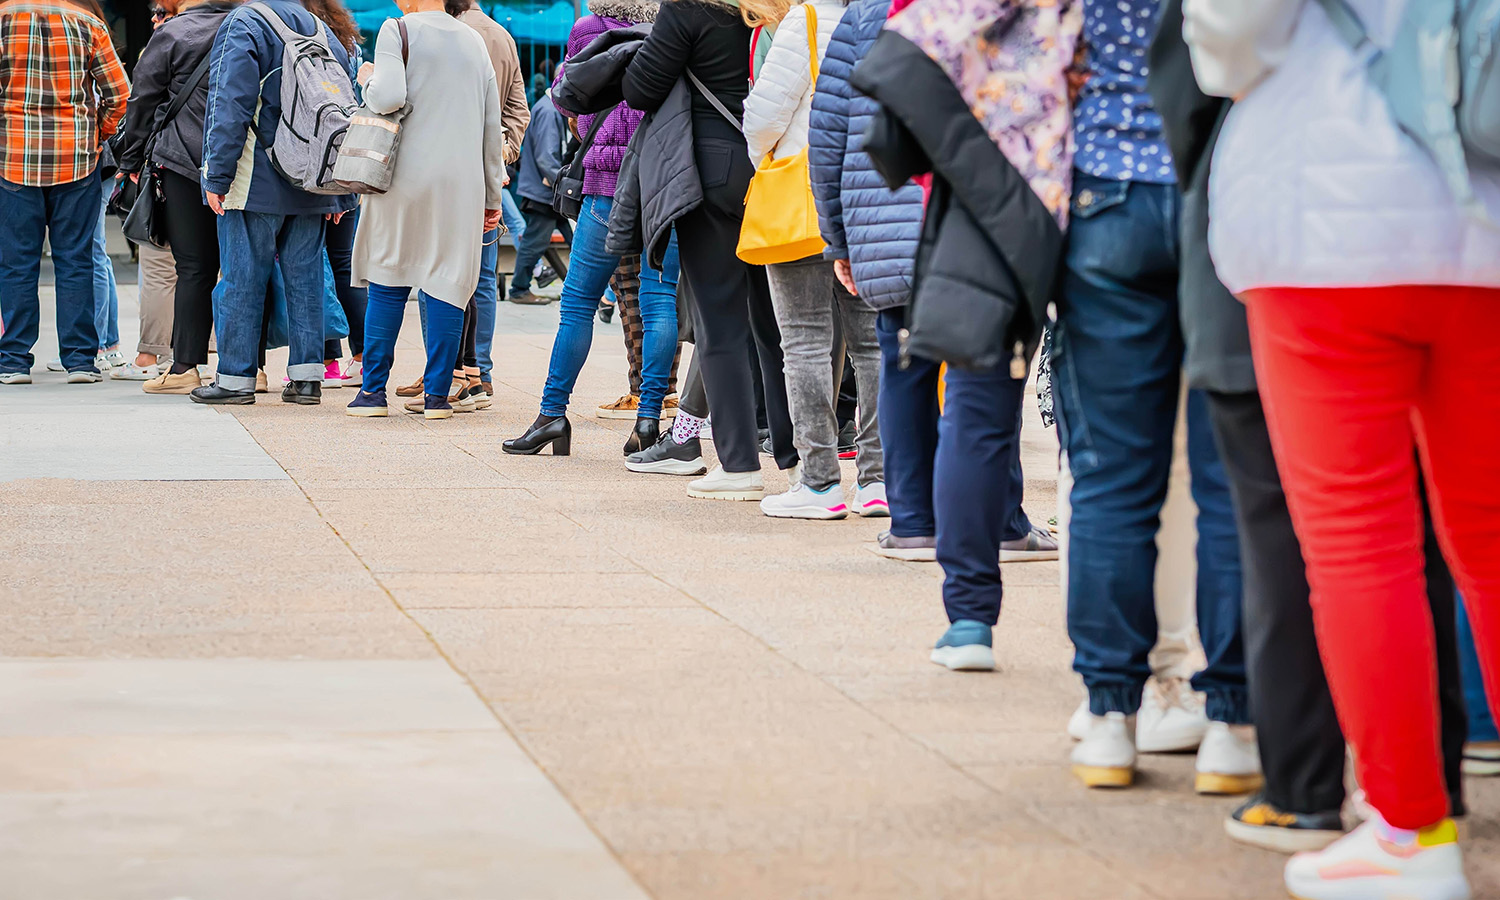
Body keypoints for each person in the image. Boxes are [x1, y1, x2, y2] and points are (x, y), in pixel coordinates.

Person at [1185, 2, 1500, 897]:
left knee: (1361, 547)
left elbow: (1233, 25)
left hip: (1323, 212)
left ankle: (1412, 834)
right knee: (1492, 540)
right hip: (1486, 206)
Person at [1053, 0, 1254, 797]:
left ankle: (1108, 717)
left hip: (1107, 186)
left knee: (1110, 480)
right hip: (1224, 181)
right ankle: (1234, 726)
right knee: (1232, 481)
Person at [621, 0, 798, 498]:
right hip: (771, 173)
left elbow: (640, 89)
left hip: (711, 175)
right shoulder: (783, 8)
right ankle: (797, 461)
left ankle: (739, 464)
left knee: (719, 323)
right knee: (776, 327)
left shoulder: (688, 8)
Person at [503, 0, 682, 457]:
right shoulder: (671, 28)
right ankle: (648, 420)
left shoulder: (591, 27)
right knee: (658, 299)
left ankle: (552, 416)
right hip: (664, 182)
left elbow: (575, 105)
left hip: (607, 185)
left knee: (579, 302)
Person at [741, 0, 884, 521]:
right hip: (867, 198)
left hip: (804, 195)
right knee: (872, 345)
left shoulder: (805, 20)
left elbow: (762, 116)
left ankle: (820, 482)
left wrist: (770, 165)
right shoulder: (882, 17)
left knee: (803, 339)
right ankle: (878, 482)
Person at [345, 0, 507, 419]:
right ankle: (437, 397)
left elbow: (388, 96)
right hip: (461, 184)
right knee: (447, 281)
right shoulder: (474, 41)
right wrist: (492, 197)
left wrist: (367, 80)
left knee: (388, 274)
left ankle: (372, 394)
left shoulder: (396, 29)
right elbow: (493, 130)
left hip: (404, 177)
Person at [190, 0, 356, 405]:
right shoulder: (321, 28)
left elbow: (230, 101)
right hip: (313, 178)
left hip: (256, 177)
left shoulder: (246, 22)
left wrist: (217, 174)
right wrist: (342, 190)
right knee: (306, 278)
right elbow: (345, 105)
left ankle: (234, 379)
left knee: (242, 277)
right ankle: (307, 380)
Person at [0, 0, 129, 386]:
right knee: (76, 260)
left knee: (16, 262)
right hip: (75, 158)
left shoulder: (3, 18)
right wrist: (97, 134)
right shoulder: (87, 22)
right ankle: (79, 361)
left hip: (13, 158)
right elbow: (121, 95)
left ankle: (13, 361)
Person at [116, 0, 241, 394]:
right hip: (243, 161)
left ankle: (185, 367)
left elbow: (142, 100)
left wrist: (131, 159)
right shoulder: (249, 26)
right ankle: (248, 367)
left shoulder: (172, 33)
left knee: (193, 267)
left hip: (182, 162)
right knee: (243, 268)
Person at [450, 0, 529, 402]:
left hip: (447, 172)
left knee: (443, 274)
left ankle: (447, 372)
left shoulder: (445, 31)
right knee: (482, 278)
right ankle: (480, 369)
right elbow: (519, 108)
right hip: (488, 176)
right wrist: (502, 153)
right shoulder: (503, 35)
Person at [305, 0, 367, 389]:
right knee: (343, 265)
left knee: (318, 265)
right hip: (349, 166)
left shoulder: (310, 49)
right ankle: (362, 357)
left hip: (318, 170)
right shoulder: (350, 48)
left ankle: (329, 360)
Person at [509, 89, 571, 305]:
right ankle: (519, 289)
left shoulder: (549, 108)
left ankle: (578, 291)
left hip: (548, 190)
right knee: (535, 243)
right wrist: (566, 186)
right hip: (545, 192)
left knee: (576, 239)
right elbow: (546, 158)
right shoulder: (548, 111)